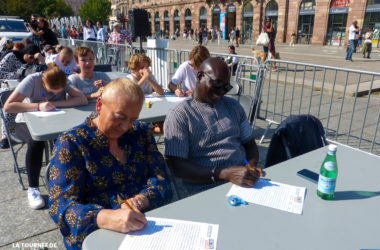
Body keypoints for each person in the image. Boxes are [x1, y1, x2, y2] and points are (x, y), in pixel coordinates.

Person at [48, 78, 172, 249]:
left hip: (146, 230)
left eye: (132, 119)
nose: (125, 126)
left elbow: (161, 179)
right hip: (97, 237)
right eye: (119, 117)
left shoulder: (140, 132)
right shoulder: (72, 143)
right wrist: (104, 217)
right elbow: (59, 206)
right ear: (99, 106)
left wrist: (141, 200)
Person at [164, 57, 262, 198]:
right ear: (200, 76)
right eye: (217, 84)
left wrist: (250, 167)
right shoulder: (180, 115)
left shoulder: (233, 107)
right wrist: (224, 174)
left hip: (241, 183)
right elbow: (178, 167)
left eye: (226, 87)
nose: (221, 91)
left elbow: (250, 145)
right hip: (203, 188)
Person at [4, 66, 87, 210]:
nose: (54, 93)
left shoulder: (64, 81)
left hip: (53, 121)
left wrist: (54, 104)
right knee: (37, 141)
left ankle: (68, 181)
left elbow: (82, 99)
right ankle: (33, 188)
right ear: (43, 82)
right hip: (25, 122)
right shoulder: (32, 80)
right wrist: (38, 106)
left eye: (58, 92)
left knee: (68, 139)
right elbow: (8, 106)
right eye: (50, 91)